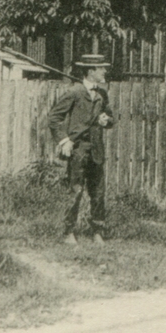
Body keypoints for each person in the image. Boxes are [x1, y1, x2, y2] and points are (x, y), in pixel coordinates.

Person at [48, 53, 116, 244]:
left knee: (98, 192)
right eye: (101, 68)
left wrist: (106, 120)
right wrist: (64, 141)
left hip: (96, 150)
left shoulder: (102, 94)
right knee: (76, 190)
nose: (105, 71)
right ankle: (68, 232)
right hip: (78, 150)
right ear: (91, 71)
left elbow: (110, 118)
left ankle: (98, 231)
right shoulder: (74, 92)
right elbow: (54, 118)